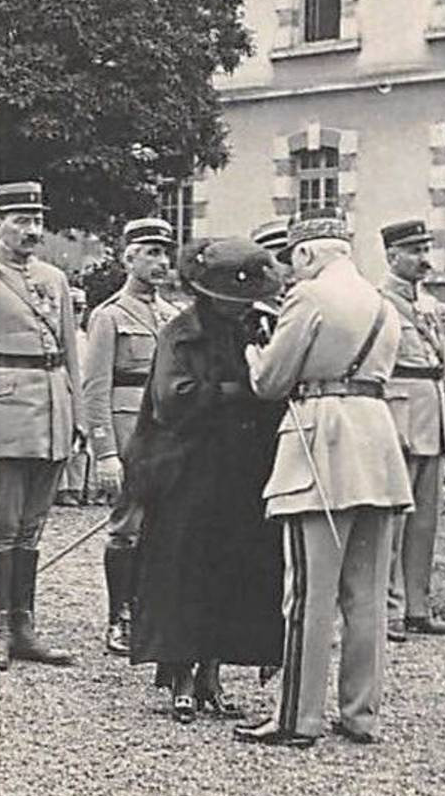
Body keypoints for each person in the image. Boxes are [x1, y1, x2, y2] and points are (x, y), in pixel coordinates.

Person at [235, 207, 413, 747]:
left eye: (293, 260)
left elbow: (270, 381)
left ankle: (298, 717)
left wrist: (252, 352)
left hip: (322, 441)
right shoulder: (382, 303)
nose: (290, 271)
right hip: (377, 442)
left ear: (309, 252)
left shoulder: (309, 297)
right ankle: (361, 714)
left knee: (310, 591)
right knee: (367, 593)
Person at [125, 237, 287, 723]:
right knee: (183, 567)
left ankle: (212, 670)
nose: (240, 310)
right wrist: (239, 393)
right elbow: (172, 399)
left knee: (230, 568)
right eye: (231, 301)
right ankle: (179, 673)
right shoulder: (180, 333)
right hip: (188, 468)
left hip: (241, 469)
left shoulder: (259, 328)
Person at [0, 180, 82, 671]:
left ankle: (26, 627)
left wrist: (77, 420)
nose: (31, 230)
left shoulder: (54, 280)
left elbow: (71, 356)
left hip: (51, 412)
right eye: (20, 221)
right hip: (5, 416)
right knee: (3, 528)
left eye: (37, 220)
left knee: (32, 529)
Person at [83, 218, 181, 653]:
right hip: (128, 436)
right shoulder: (109, 316)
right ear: (128, 258)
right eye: (151, 253)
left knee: (166, 528)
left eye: (165, 253)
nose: (161, 262)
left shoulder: (175, 316)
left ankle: (150, 614)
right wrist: (104, 451)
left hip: (172, 437)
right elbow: (95, 388)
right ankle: (119, 618)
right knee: (126, 528)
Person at [378, 218, 445, 641]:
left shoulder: (429, 305)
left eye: (426, 250)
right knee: (394, 519)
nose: (424, 260)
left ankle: (417, 604)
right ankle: (387, 608)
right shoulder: (379, 303)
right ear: (392, 256)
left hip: (432, 410)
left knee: (426, 519)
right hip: (400, 412)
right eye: (414, 252)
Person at [56, 288, 93, 507]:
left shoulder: (87, 337)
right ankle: (61, 488)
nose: (78, 314)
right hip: (63, 392)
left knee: (82, 445)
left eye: (81, 309)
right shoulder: (58, 338)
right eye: (73, 309)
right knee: (62, 443)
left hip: (84, 394)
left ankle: (76, 487)